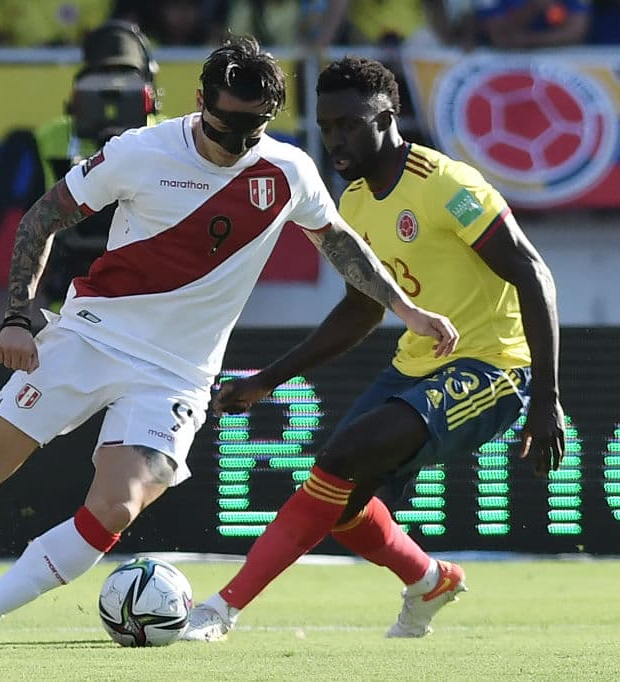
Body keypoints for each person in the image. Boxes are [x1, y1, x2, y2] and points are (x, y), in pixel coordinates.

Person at [0, 35, 458, 647]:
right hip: (91, 335)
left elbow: (340, 242)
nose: (235, 143)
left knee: (116, 507)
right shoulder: (140, 151)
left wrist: (406, 308)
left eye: (252, 129)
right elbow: (42, 217)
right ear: (199, 98)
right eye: (224, 123)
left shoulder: (287, 172)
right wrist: (20, 315)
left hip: (176, 376)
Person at [182, 55, 565, 642]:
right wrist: (270, 379)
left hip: (493, 369)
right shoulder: (355, 203)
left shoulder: (449, 187)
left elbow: (533, 275)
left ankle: (220, 610)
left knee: (341, 457)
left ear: (388, 116)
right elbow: (362, 309)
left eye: (349, 125)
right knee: (340, 504)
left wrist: (546, 397)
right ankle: (429, 579)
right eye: (327, 125)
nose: (335, 138)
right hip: (415, 367)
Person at [35, 19, 163, 309]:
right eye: (103, 75)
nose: (113, 89)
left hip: (149, 298)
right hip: (69, 296)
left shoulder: (169, 135)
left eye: (122, 75)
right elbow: (34, 223)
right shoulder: (52, 138)